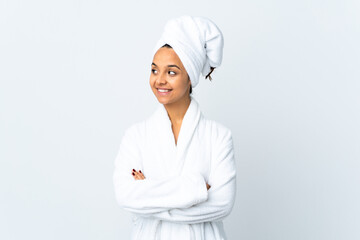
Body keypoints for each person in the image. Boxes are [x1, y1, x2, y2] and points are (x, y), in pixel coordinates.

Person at [113, 15, 236, 240]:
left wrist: (149, 192)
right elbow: (125, 196)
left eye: (171, 72)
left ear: (190, 77)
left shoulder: (218, 137)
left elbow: (222, 204)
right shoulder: (136, 136)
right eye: (154, 70)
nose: (159, 80)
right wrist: (196, 189)